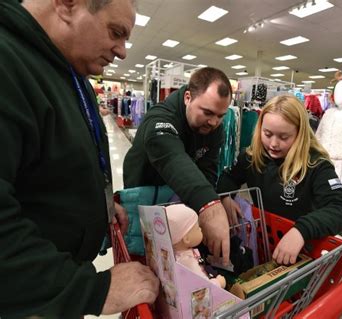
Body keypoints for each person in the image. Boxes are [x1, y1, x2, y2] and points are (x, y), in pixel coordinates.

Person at [0, 0, 159, 317]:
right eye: (116, 32)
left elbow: (57, 161)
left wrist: (98, 203)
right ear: (66, 4)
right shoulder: (8, 63)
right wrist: (94, 291)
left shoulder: (69, 72)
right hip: (28, 300)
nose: (122, 51)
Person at [216, 95, 342, 265]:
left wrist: (301, 230)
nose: (273, 144)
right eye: (267, 134)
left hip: (302, 252)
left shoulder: (316, 165)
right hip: (265, 243)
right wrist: (226, 197)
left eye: (283, 137)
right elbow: (228, 177)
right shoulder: (253, 156)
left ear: (300, 134)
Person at [123, 67, 233, 264]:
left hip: (180, 205)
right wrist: (209, 204)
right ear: (188, 97)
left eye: (221, 115)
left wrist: (204, 206)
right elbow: (171, 157)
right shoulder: (160, 118)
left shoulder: (214, 127)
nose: (215, 121)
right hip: (146, 200)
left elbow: (208, 169)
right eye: (208, 112)